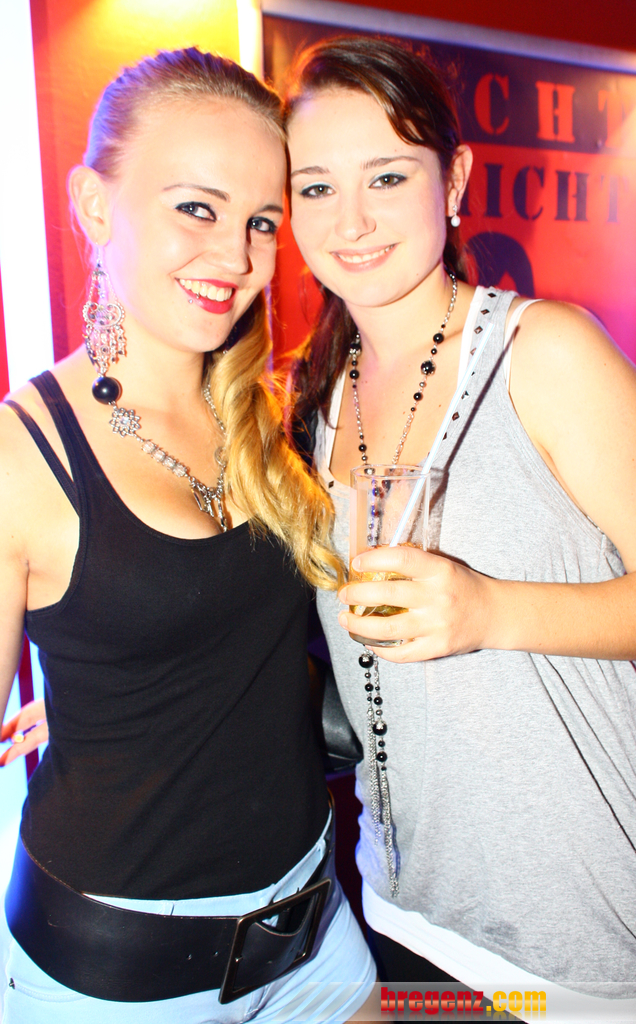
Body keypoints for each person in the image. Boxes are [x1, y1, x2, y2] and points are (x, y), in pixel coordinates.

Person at [283, 35, 636, 1022]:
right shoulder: (314, 398)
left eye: (387, 175)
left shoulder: (545, 350)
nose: (352, 220)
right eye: (316, 187)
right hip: (401, 901)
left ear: (454, 179)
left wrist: (489, 609)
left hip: (573, 934)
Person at [0, 48, 376, 1023]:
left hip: (315, 924)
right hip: (119, 982)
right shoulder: (20, 456)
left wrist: (130, 689)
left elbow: (252, 639)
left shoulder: (266, 412)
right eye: (197, 209)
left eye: (262, 222)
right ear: (95, 206)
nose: (238, 258)